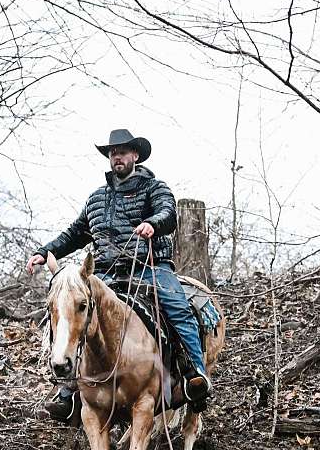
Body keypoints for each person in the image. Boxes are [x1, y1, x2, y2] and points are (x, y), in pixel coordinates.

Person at [27, 128, 212, 420]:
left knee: (177, 308)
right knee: (75, 313)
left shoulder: (155, 188)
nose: (117, 157)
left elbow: (168, 214)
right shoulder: (97, 198)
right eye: (113, 153)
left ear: (135, 155)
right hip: (107, 274)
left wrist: (153, 223)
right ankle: (69, 391)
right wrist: (44, 251)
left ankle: (194, 375)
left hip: (150, 268)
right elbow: (75, 234)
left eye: (123, 152)